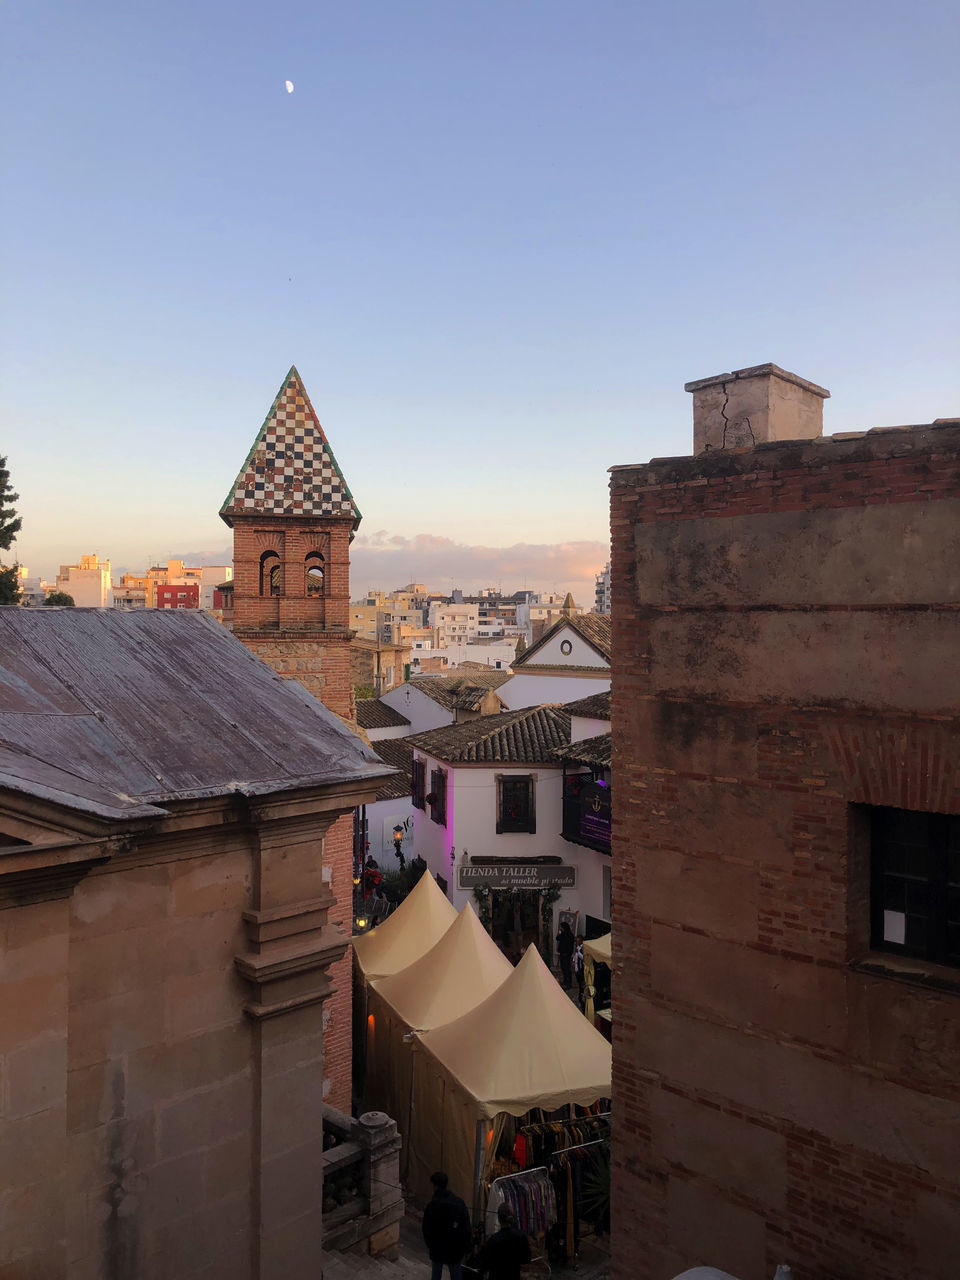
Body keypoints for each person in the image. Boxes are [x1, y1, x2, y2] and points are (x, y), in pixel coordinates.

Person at [422, 1170, 472, 1280]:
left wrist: (431, 1245)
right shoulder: (459, 1203)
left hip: (437, 1248)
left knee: (436, 1274)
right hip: (455, 1249)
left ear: (435, 1186)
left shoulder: (432, 1206)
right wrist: (466, 1247)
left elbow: (426, 1228)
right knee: (456, 1274)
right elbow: (466, 1227)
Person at [480, 1203, 531, 1279]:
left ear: (499, 1219)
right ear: (512, 1217)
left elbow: (485, 1264)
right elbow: (526, 1259)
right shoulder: (521, 1237)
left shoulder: (492, 1240)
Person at [556, 920, 575, 987]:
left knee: (566, 968)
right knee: (565, 968)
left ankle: (568, 982)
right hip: (566, 953)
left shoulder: (565, 935)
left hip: (565, 954)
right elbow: (558, 938)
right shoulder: (570, 935)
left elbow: (557, 938)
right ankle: (566, 981)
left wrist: (559, 933)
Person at [573, 934, 585, 1008]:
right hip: (577, 968)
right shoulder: (577, 947)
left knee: (581, 985)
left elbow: (584, 957)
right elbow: (575, 955)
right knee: (578, 982)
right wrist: (573, 961)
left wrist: (578, 952)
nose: (576, 943)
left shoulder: (583, 948)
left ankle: (581, 998)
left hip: (581, 968)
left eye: (578, 941)